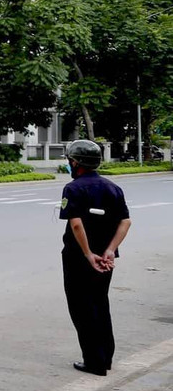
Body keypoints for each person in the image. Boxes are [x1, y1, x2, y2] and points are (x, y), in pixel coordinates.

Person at [58, 139, 132, 377]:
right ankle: (105, 357)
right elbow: (125, 221)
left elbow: (77, 224)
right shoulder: (113, 188)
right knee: (100, 303)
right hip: (106, 260)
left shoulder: (73, 189)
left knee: (81, 307)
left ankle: (94, 361)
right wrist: (110, 250)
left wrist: (88, 254)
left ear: (75, 162)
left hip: (80, 258)